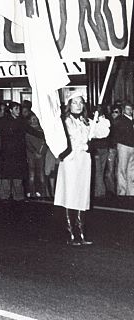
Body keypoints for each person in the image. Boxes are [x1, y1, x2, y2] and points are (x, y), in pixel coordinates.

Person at [55, 91, 110, 246]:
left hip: (84, 162)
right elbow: (72, 140)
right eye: (75, 102)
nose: (78, 106)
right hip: (71, 161)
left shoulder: (85, 121)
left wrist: (100, 116)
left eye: (80, 102)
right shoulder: (66, 121)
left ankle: (81, 232)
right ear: (69, 105)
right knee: (70, 194)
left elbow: (103, 132)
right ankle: (70, 233)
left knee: (82, 194)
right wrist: (85, 144)